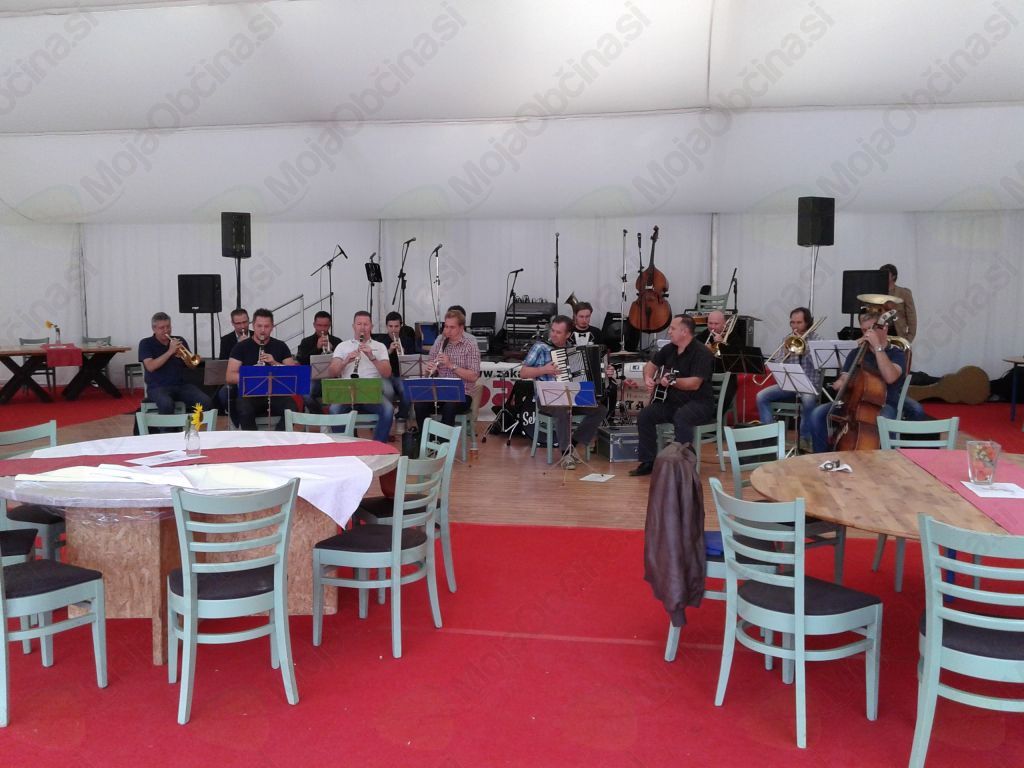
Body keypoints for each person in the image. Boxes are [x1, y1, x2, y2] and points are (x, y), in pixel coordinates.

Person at [807, 309, 907, 453]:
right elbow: (845, 376)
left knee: (884, 420)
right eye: (864, 330)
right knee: (817, 414)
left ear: (884, 327)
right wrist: (841, 382)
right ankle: (822, 457)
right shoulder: (856, 352)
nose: (867, 334)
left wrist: (877, 347)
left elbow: (890, 377)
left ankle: (888, 458)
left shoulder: (896, 353)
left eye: (871, 329)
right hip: (853, 402)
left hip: (884, 404)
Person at [630, 315, 715, 477]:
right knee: (645, 415)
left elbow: (694, 384)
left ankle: (684, 466)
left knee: (682, 417)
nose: (669, 332)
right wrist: (648, 378)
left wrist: (672, 382)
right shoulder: (669, 349)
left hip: (699, 403)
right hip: (673, 402)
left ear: (684, 331)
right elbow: (651, 365)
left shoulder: (702, 353)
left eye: (672, 329)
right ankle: (648, 461)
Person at [520, 315, 608, 469]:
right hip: (547, 398)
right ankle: (566, 454)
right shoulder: (540, 347)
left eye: (558, 332)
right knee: (563, 409)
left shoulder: (573, 350)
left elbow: (584, 376)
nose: (553, 335)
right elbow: (523, 373)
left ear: (568, 335)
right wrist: (543, 370)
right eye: (552, 330)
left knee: (600, 410)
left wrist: (605, 372)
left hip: (571, 395)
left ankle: (572, 443)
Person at [756, 307, 821, 452]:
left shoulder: (817, 339)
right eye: (792, 322)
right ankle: (769, 437)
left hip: (809, 385)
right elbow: (777, 364)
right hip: (789, 385)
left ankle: (804, 439)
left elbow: (820, 364)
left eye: (799, 322)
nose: (795, 326)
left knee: (808, 400)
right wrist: (785, 354)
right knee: (761, 396)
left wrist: (805, 350)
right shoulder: (787, 339)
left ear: (807, 323)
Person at [326, 311, 393, 443]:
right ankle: (344, 445)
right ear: (353, 326)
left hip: (371, 393)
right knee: (334, 410)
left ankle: (377, 448)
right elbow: (332, 372)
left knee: (388, 410)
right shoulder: (342, 346)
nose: (362, 328)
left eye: (366, 324)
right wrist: (345, 361)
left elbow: (387, 373)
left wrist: (372, 357)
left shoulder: (380, 347)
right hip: (346, 393)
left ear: (371, 326)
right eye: (359, 324)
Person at [226, 308, 298, 430]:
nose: (263, 330)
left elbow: (294, 374)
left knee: (292, 408)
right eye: (259, 326)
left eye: (267, 326)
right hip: (250, 395)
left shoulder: (280, 346)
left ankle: (277, 438)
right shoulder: (241, 347)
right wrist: (252, 374)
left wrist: (274, 363)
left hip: (276, 394)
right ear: (253, 325)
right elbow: (230, 376)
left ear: (272, 327)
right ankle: (254, 439)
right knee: (244, 409)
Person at [413, 308, 480, 428]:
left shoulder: (470, 346)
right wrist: (430, 370)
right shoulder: (440, 342)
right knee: (419, 404)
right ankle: (425, 436)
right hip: (439, 391)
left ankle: (444, 439)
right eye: (446, 326)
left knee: (449, 406)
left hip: (462, 393)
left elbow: (474, 376)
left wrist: (451, 365)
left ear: (461, 328)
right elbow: (429, 371)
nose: (447, 330)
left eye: (452, 327)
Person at [138, 312, 211, 420]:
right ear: (154, 329)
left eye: (168, 326)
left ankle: (195, 427)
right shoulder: (146, 343)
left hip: (181, 385)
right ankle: (167, 430)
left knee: (205, 401)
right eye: (162, 328)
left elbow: (192, 366)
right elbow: (150, 366)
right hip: (157, 387)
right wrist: (170, 352)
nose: (166, 330)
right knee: (166, 404)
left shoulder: (178, 340)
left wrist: (186, 359)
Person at [295, 310, 342, 413]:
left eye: (325, 326)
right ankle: (321, 417)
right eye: (319, 325)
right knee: (305, 393)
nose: (322, 329)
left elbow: (343, 363)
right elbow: (301, 362)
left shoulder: (337, 341)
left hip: (333, 380)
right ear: (314, 325)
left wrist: (334, 349)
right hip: (314, 380)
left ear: (330, 325)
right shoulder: (306, 342)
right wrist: (316, 348)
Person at [383, 311, 416, 423]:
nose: (393, 329)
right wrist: (389, 351)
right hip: (385, 376)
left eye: (396, 326)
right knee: (387, 391)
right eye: (390, 326)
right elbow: (378, 360)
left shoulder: (407, 341)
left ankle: (401, 416)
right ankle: (386, 416)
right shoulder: (381, 342)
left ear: (400, 326)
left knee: (406, 391)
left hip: (401, 375)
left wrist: (404, 353)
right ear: (386, 326)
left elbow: (413, 361)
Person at [879, 263, 916, 342]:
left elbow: (911, 317)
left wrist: (909, 338)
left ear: (894, 276)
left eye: (886, 273)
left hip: (898, 334)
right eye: (881, 274)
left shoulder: (904, 293)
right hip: (880, 333)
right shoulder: (876, 293)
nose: (883, 276)